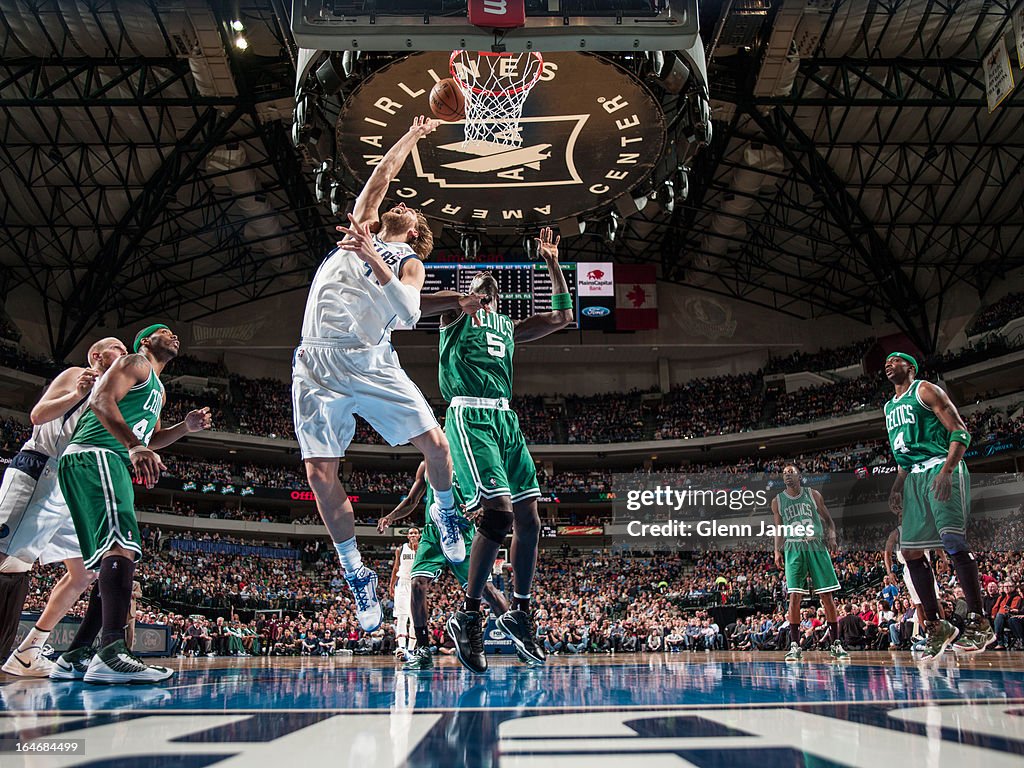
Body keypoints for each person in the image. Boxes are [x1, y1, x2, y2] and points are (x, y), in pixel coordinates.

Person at [292, 116, 481, 633]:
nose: (399, 207)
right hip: (317, 363)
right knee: (317, 476)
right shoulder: (362, 226)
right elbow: (380, 175)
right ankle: (356, 573)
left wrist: (372, 254)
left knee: (438, 448)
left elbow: (409, 314)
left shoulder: (408, 263)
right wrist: (416, 134)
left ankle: (445, 510)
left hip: (371, 361)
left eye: (409, 212)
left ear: (415, 233)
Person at [440, 227, 574, 674]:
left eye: (489, 288)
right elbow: (429, 300)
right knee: (497, 516)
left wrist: (553, 262)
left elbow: (561, 318)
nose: (486, 286)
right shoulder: (455, 318)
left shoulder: (507, 328)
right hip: (470, 415)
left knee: (529, 518)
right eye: (478, 284)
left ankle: (519, 608)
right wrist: (462, 299)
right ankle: (470, 612)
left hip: (506, 418)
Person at [56, 323, 212, 684]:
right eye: (166, 331)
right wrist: (133, 446)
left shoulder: (157, 389)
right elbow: (99, 400)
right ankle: (111, 652)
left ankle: (76, 654)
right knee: (120, 548)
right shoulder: (135, 363)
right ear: (146, 341)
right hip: (98, 454)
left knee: (116, 554)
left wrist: (184, 428)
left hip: (103, 459)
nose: (175, 336)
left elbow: (153, 438)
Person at [0, 336, 127, 676]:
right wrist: (76, 395)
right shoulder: (77, 375)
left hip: (71, 484)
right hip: (41, 469)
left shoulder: (115, 394)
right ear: (97, 355)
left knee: (84, 573)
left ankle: (28, 651)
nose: (124, 351)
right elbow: (38, 414)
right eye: (117, 347)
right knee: (3, 557)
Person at [884, 351, 995, 659]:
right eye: (886, 362)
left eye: (895, 359)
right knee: (910, 552)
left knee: (951, 540)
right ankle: (936, 625)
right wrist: (896, 486)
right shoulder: (889, 407)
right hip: (914, 477)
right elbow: (903, 459)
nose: (888, 363)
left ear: (911, 367)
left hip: (940, 466)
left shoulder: (925, 390)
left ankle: (979, 619)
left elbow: (960, 431)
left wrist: (947, 470)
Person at [377, 461, 512, 670]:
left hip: (463, 531)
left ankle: (521, 639)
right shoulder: (425, 465)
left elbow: (489, 493)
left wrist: (477, 508)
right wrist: (390, 517)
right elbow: (412, 499)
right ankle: (423, 649)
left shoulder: (467, 459)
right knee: (417, 583)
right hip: (433, 533)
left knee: (487, 589)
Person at [772, 465, 848, 662]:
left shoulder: (813, 494)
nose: (787, 475)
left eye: (791, 472)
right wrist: (776, 550)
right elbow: (778, 528)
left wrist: (831, 536)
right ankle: (795, 645)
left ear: (800, 476)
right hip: (793, 548)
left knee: (827, 595)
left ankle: (836, 643)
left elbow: (829, 521)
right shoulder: (777, 501)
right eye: (784, 473)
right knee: (794, 596)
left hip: (815, 544)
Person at [387, 526, 420, 657]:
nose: (413, 535)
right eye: (411, 533)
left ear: (419, 535)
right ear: (407, 536)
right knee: (402, 615)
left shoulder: (423, 548)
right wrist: (391, 585)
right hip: (403, 583)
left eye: (415, 533)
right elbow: (396, 568)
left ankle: (411, 649)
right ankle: (401, 647)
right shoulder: (400, 549)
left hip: (416, 583)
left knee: (415, 617)